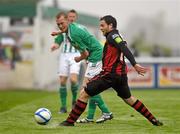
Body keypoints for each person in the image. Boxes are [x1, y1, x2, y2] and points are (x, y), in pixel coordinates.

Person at [60, 15, 163, 126]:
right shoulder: (114, 35)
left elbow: (123, 47)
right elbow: (120, 47)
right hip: (121, 75)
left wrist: (135, 64)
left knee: (84, 93)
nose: (100, 28)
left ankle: (69, 122)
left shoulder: (113, 35)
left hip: (110, 75)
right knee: (129, 99)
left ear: (111, 25)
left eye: (102, 25)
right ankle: (153, 120)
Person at [51, 11, 113, 123]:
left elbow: (85, 54)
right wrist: (59, 32)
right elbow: (67, 30)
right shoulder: (72, 28)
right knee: (90, 88)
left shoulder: (74, 34)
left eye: (62, 23)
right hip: (96, 54)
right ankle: (90, 117)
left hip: (96, 55)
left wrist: (78, 59)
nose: (60, 26)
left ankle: (106, 112)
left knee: (87, 88)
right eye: (58, 24)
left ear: (68, 21)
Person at [51, 10, 81, 113]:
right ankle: (63, 107)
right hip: (64, 56)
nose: (71, 18)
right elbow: (58, 41)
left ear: (75, 18)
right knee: (63, 81)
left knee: (73, 80)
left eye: (73, 16)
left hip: (76, 55)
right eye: (70, 16)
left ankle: (74, 101)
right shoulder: (62, 29)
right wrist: (55, 46)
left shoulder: (78, 29)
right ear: (67, 18)